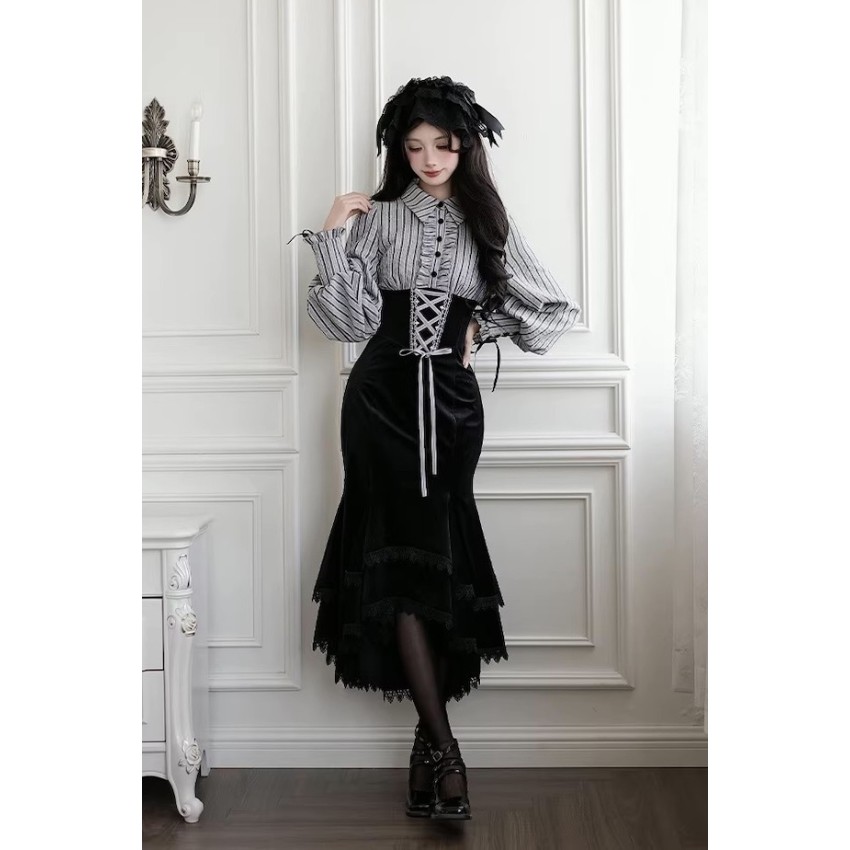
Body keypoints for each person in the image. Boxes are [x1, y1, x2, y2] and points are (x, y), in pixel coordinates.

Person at [288, 76, 581, 821]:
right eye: (414, 146)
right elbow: (347, 322)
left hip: (452, 408)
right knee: (392, 552)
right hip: (378, 403)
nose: (428, 159)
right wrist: (332, 234)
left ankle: (429, 749)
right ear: (398, 149)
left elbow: (554, 310)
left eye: (443, 145)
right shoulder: (378, 216)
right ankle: (447, 754)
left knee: (436, 557)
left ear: (465, 147)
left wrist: (484, 323)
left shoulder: (489, 222)